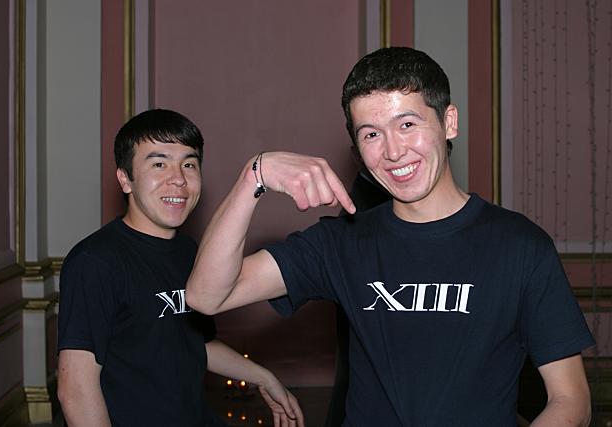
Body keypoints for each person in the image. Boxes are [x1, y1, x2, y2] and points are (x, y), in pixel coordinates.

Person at [185, 47, 595, 426]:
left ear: (449, 122)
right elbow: (207, 297)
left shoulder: (519, 246)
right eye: (371, 134)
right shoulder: (343, 242)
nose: (393, 151)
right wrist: (253, 176)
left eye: (407, 124)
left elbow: (571, 400)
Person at [57, 109, 304, 427]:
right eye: (159, 164)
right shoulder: (94, 262)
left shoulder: (190, 252)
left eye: (189, 164)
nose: (179, 179)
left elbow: (194, 343)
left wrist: (264, 377)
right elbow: (76, 390)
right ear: (125, 179)